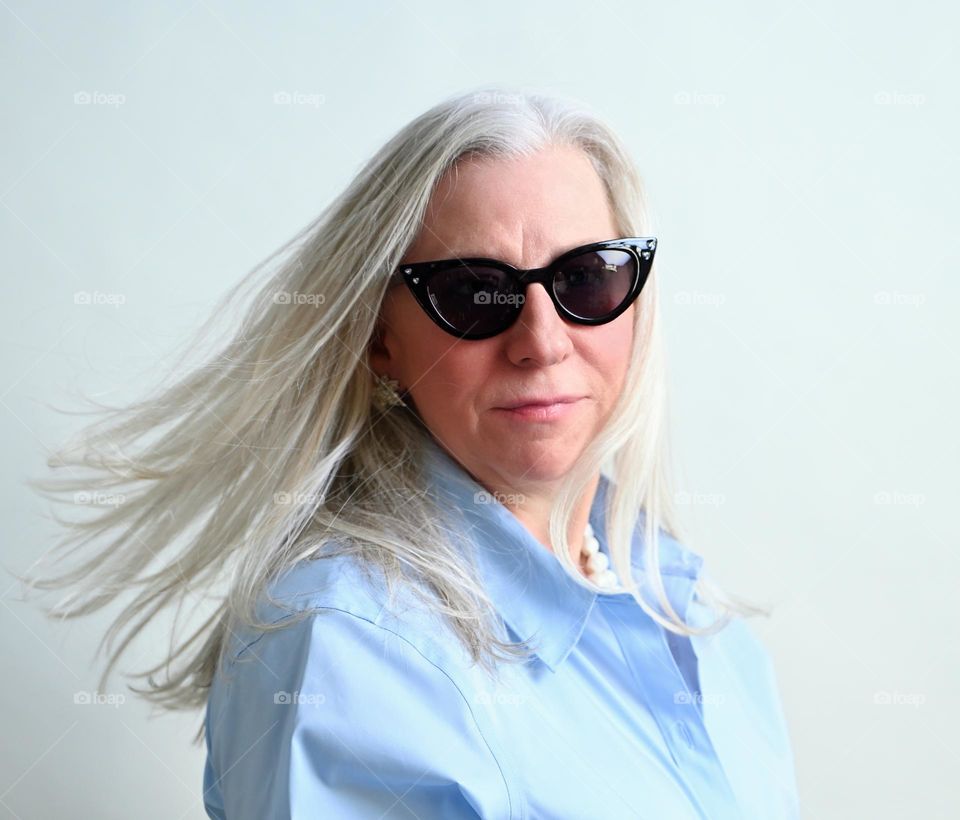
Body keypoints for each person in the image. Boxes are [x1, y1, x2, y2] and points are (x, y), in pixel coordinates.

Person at [26, 86, 800, 819]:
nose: (542, 341)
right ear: (379, 342)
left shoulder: (688, 607)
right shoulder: (349, 649)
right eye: (473, 293)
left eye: (587, 279)